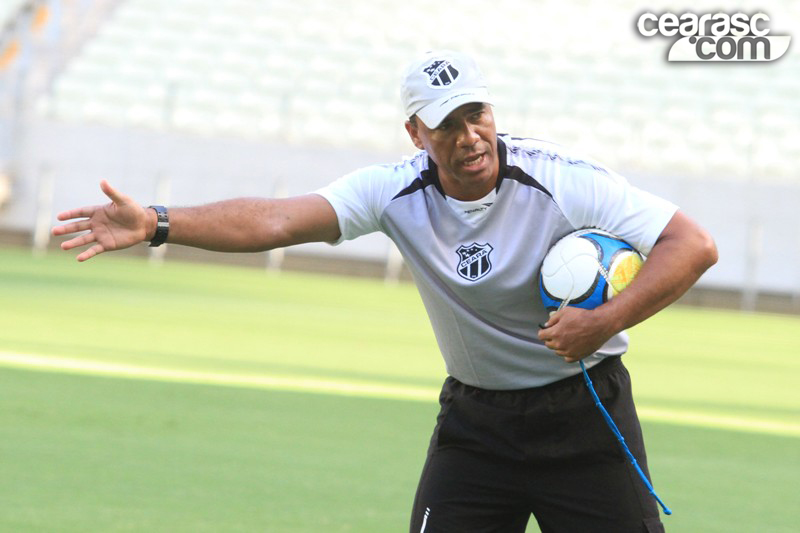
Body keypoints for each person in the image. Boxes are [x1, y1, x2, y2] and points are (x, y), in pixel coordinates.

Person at [53, 50, 718, 532]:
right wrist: (158, 223)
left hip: (585, 416)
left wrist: (604, 323)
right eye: (445, 123)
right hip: (477, 429)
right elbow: (278, 219)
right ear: (416, 133)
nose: (468, 136)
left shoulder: (565, 178)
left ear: (493, 110)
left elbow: (693, 244)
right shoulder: (395, 190)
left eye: (475, 112)